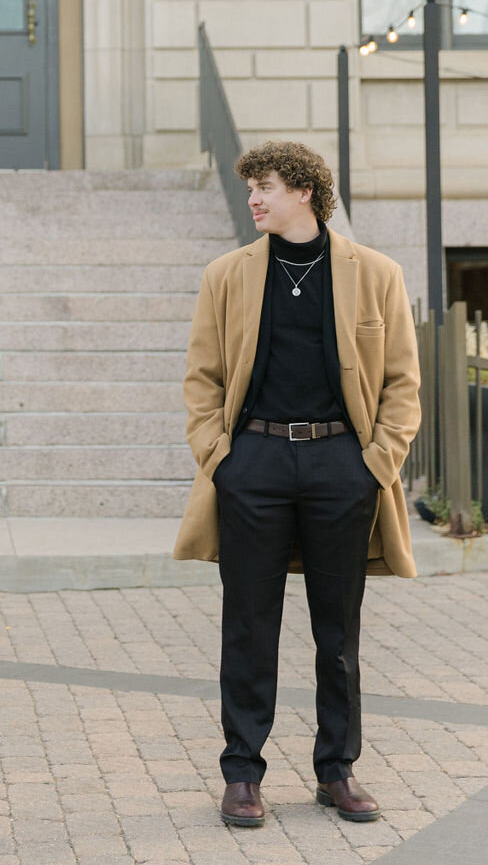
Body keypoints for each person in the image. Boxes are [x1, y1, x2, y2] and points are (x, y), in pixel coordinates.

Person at [173, 141, 420, 829]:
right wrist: (219, 457)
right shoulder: (228, 274)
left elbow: (403, 380)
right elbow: (202, 378)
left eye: (267, 186)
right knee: (249, 626)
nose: (254, 198)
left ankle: (336, 770)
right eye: (251, 187)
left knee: (336, 631)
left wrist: (377, 462)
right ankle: (243, 775)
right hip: (252, 466)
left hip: (342, 466)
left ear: (305, 192)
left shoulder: (373, 273)